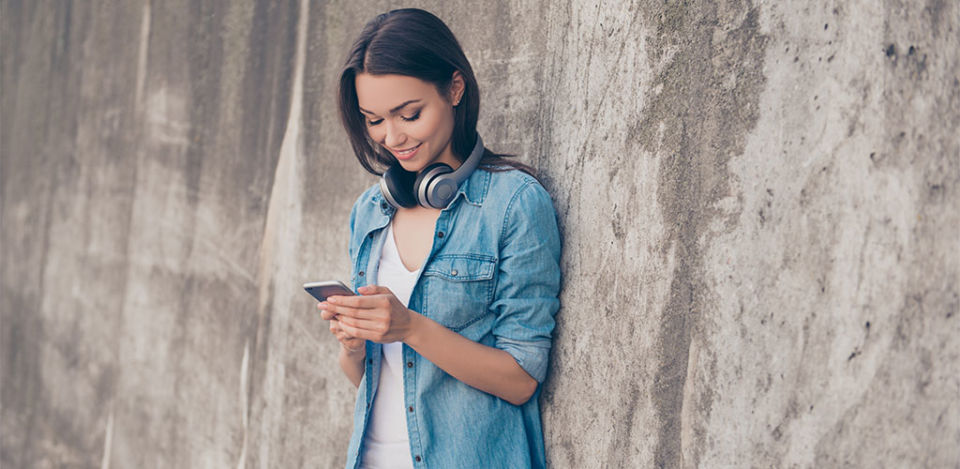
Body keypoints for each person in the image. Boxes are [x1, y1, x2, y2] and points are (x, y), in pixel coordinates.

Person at [317, 8, 562, 469]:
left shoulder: (513, 205)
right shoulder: (370, 211)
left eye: (409, 114)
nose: (393, 136)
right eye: (373, 120)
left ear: (454, 88)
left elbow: (522, 378)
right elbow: (374, 379)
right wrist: (353, 346)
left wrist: (409, 327)